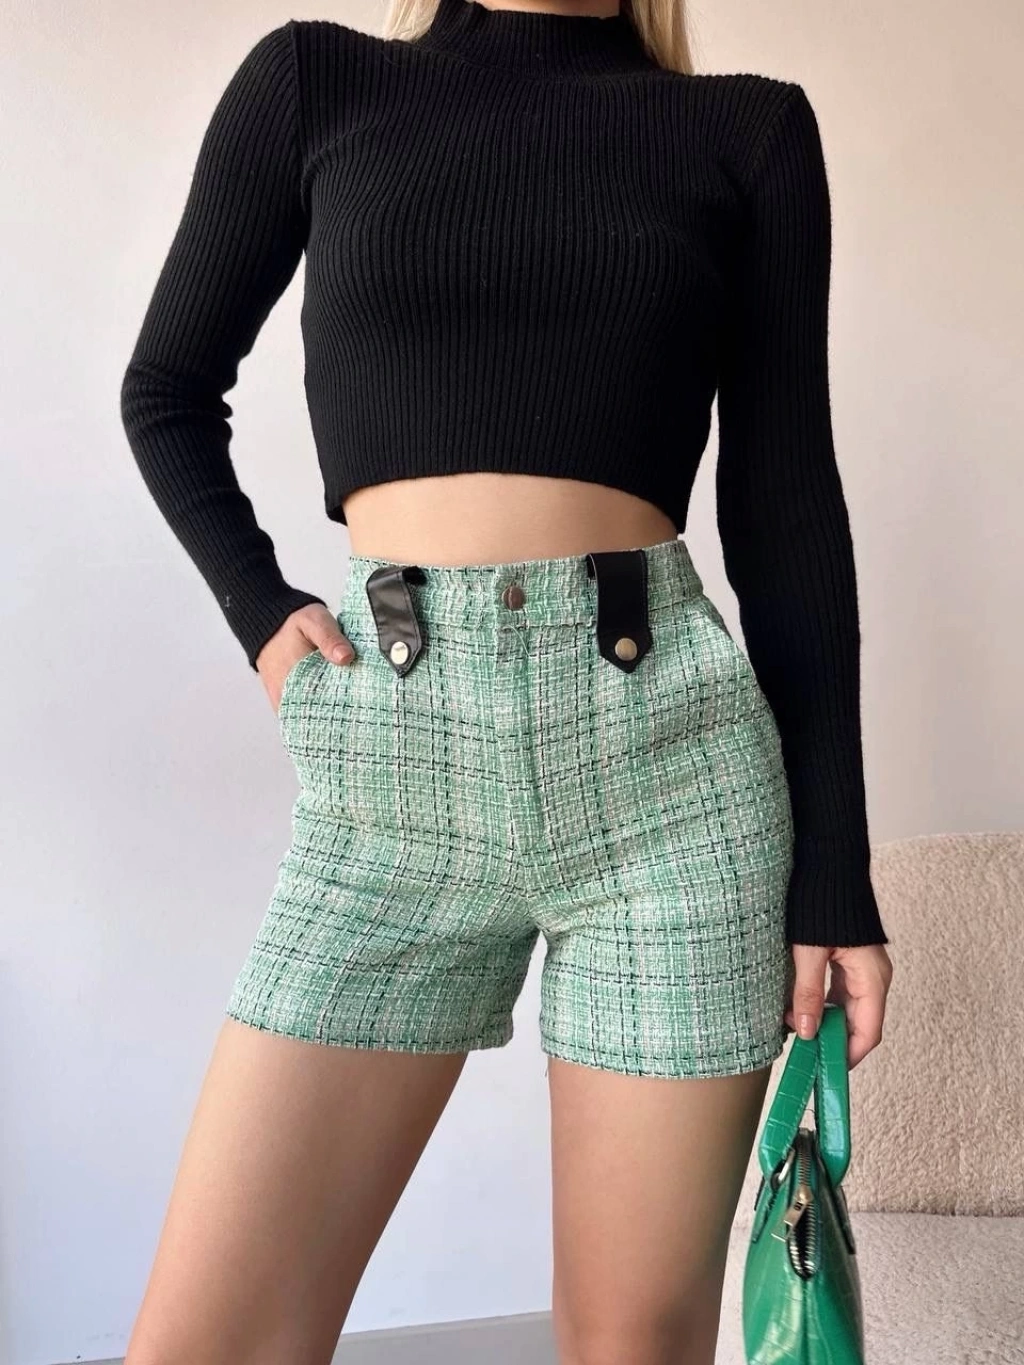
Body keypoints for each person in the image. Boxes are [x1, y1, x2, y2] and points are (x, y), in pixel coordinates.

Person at [118, 0, 894, 1360]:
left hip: (672, 784)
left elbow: (787, 513)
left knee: (630, 1347)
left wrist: (837, 876)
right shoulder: (315, 83)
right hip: (391, 775)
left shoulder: (746, 133)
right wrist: (261, 608)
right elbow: (166, 389)